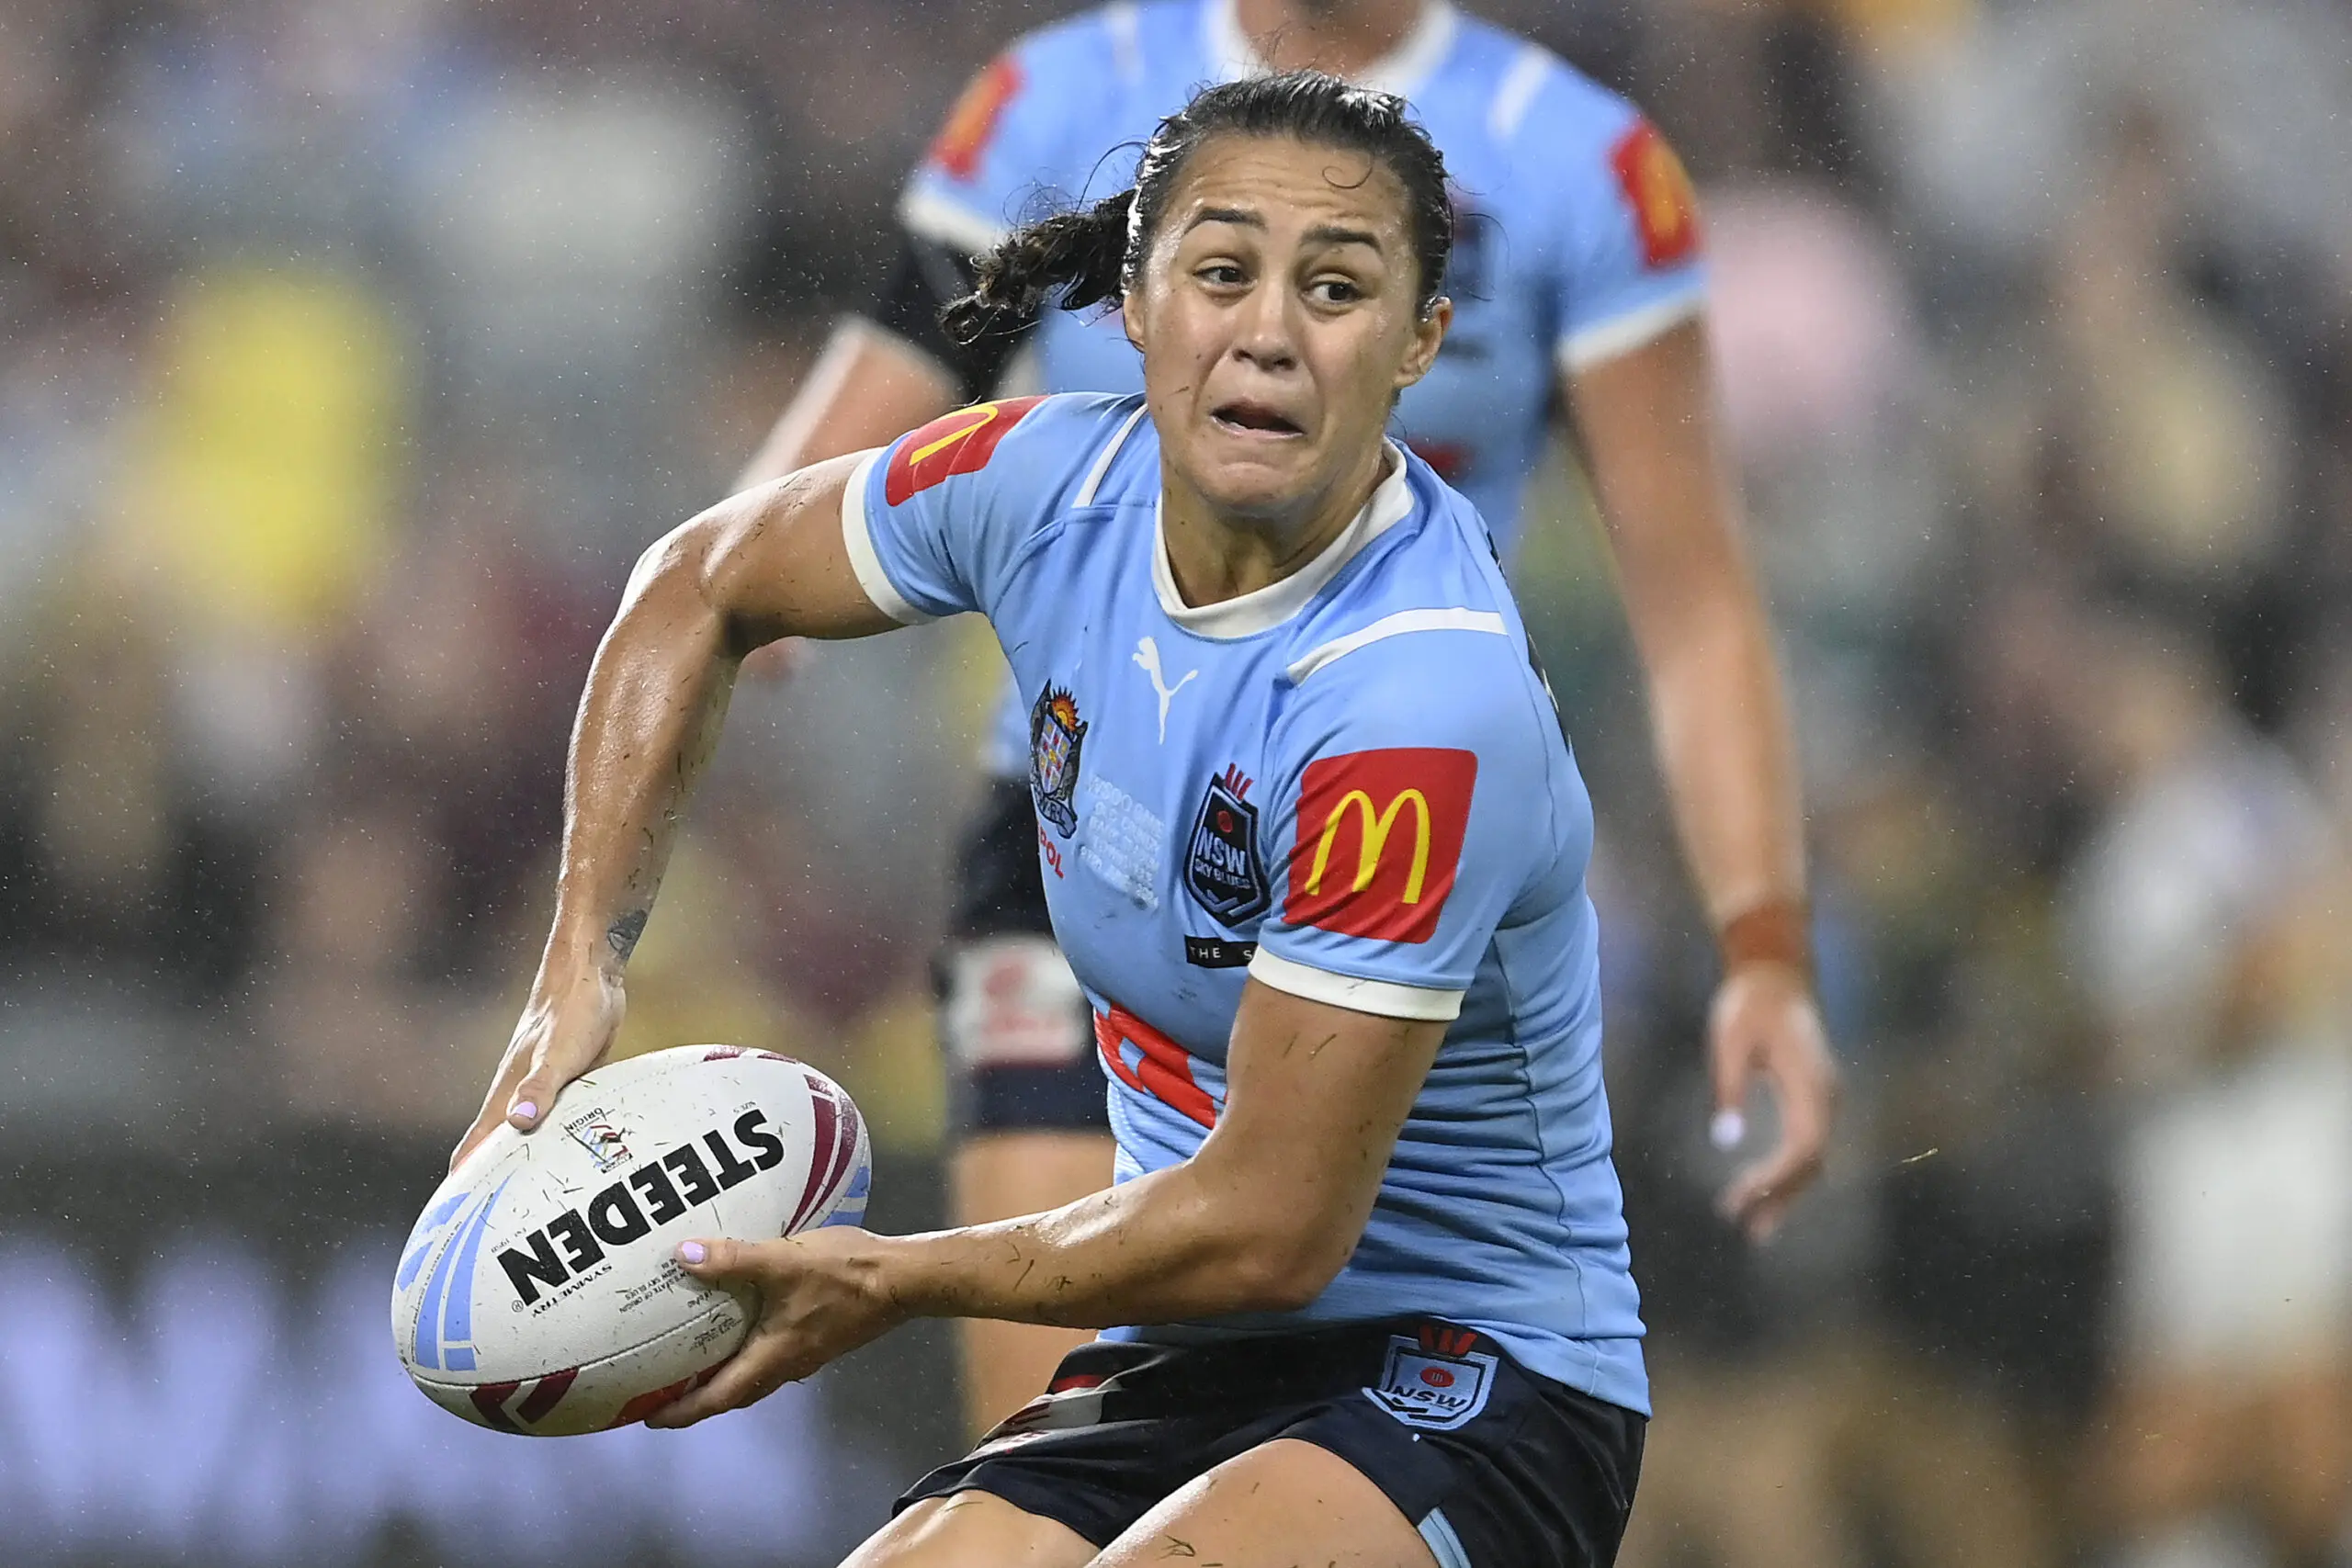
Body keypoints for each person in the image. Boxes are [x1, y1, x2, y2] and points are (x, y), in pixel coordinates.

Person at [456, 73, 1824, 1568]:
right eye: (1222, 271)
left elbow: (1274, 1226)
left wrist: (894, 1277)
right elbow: (696, 586)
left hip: (1480, 1375)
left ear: (1422, 342)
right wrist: (579, 960)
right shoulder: (1037, 484)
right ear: (1130, 304)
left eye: (1337, 288)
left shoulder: (1418, 703)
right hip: (1185, 1352)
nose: (1270, 331)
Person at [735, 0, 1836, 1430]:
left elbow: (1692, 598)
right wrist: (740, 585)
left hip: (1388, 825)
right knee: (1048, 1434)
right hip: (1083, 824)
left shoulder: (1579, 164)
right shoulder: (1062, 97)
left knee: (1383, 1411)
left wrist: (1764, 945)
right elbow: (831, 454)